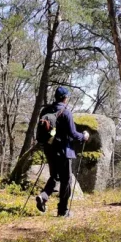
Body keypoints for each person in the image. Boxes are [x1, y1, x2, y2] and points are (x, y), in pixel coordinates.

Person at [36, 86, 89, 217]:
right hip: (64, 151)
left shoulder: (45, 110)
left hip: (49, 148)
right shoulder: (66, 112)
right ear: (65, 98)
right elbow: (72, 134)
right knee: (66, 180)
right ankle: (63, 210)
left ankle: (43, 196)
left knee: (55, 176)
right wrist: (84, 136)